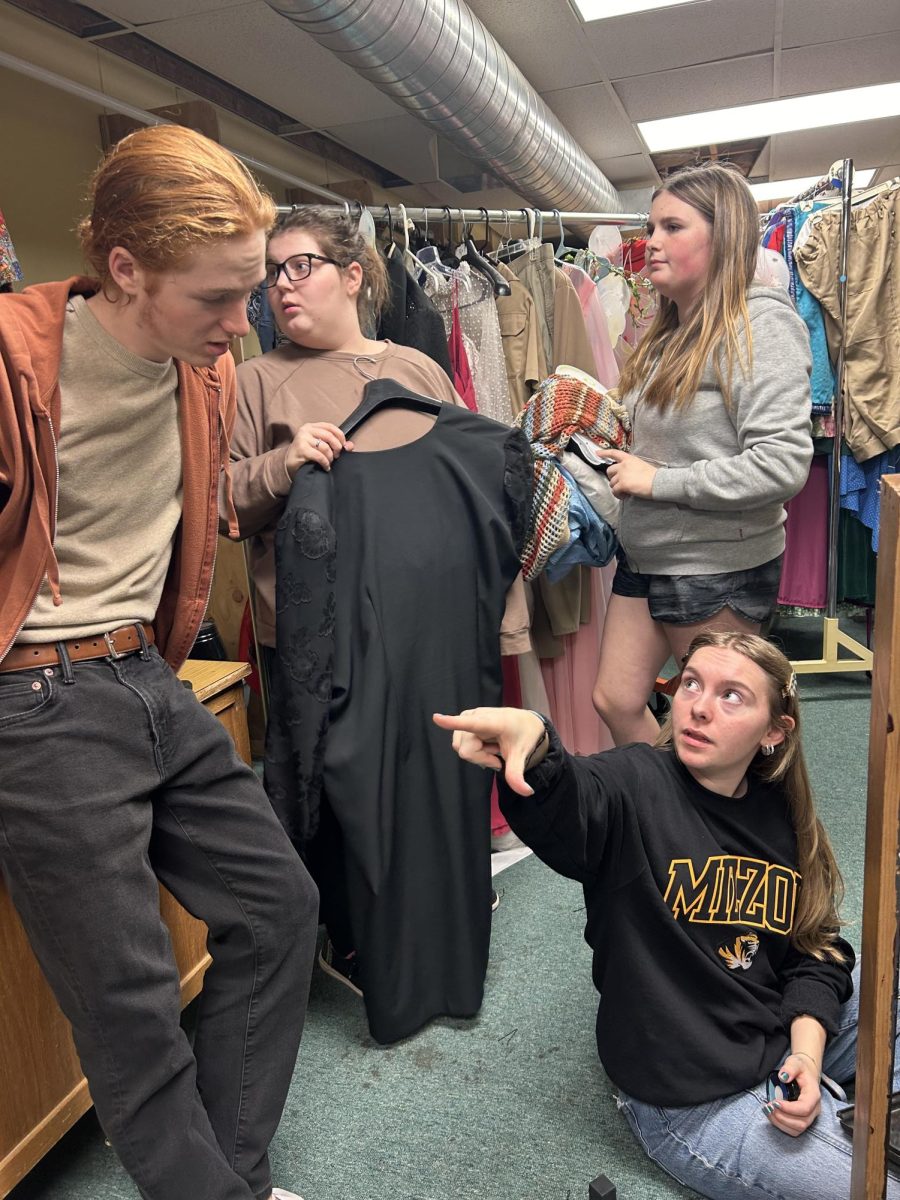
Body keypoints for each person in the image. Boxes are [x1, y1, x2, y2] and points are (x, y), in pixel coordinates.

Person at [0, 124, 318, 1200]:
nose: (243, 326)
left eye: (253, 292)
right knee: (130, 1004)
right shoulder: (12, 357)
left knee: (278, 909)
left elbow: (189, 507)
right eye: (216, 299)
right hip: (35, 696)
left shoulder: (200, 370)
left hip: (148, 675)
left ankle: (225, 1178)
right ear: (124, 268)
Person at [435, 631, 899, 1199]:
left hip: (771, 1019)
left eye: (733, 696)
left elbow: (813, 949)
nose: (699, 706)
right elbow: (575, 799)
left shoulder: (780, 811)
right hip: (699, 1095)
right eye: (692, 683)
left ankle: (835, 1087)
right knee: (876, 1188)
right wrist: (536, 747)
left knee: (880, 977)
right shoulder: (636, 782)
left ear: (775, 732)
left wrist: (805, 1051)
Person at [228, 205, 527, 1042]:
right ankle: (353, 944)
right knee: (336, 794)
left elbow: (478, 498)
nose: (282, 286)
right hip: (313, 638)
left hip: (429, 633)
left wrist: (500, 626)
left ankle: (439, 924)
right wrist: (285, 464)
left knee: (437, 774)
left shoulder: (417, 367)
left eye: (300, 266)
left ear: (352, 275)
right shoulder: (254, 382)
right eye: (271, 272)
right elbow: (219, 502)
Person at [592, 163, 814, 746]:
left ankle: (724, 830)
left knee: (718, 733)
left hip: (716, 565)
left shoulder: (759, 324)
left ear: (724, 237)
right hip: (648, 551)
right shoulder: (670, 331)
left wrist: (657, 481)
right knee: (615, 700)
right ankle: (674, 815)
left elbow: (781, 463)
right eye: (650, 227)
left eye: (672, 227)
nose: (650, 242)